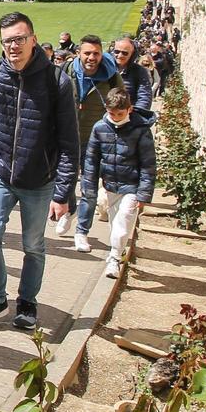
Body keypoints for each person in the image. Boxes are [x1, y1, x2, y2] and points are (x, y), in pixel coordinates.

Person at [0, 12, 79, 333]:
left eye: (19, 39)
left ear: (32, 38)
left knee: (33, 245)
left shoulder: (57, 81)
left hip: (40, 179)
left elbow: (70, 142)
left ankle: (27, 301)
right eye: (7, 40)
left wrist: (63, 193)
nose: (13, 46)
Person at [80, 86, 154, 280]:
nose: (114, 117)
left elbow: (148, 163)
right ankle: (117, 251)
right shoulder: (100, 128)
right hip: (111, 184)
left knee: (123, 222)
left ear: (129, 109)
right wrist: (89, 188)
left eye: (119, 113)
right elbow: (91, 159)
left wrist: (144, 193)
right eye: (111, 113)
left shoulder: (141, 130)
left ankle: (113, 259)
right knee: (115, 224)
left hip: (132, 185)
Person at [65, 36, 121, 250]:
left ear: (101, 54)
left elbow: (121, 102)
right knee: (66, 182)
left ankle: (82, 232)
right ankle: (70, 209)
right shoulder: (66, 72)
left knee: (89, 189)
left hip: (94, 141)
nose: (91, 58)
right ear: (79, 52)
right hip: (68, 137)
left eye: (96, 53)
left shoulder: (111, 77)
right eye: (87, 53)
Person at [108, 36, 155, 115]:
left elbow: (144, 97)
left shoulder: (140, 71)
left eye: (125, 53)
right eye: (117, 51)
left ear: (132, 54)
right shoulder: (105, 68)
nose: (120, 55)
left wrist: (134, 116)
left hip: (128, 117)